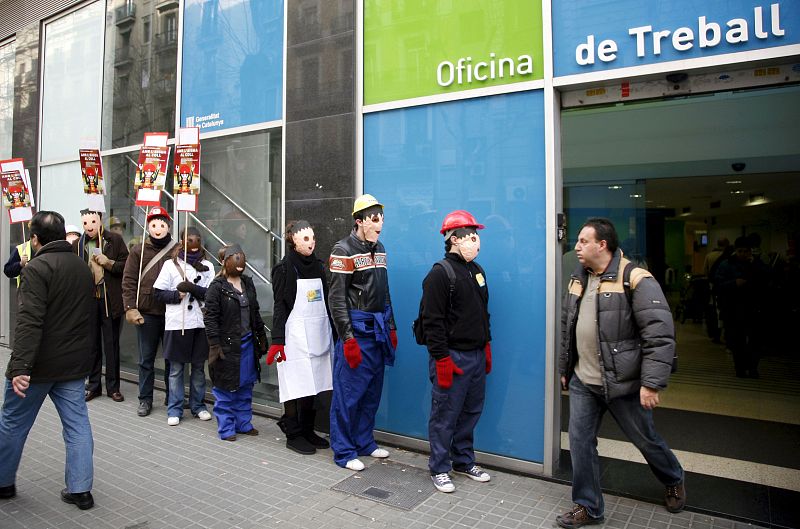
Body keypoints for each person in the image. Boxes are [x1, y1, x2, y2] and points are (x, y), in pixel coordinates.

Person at [557, 217, 684, 529]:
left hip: (623, 382)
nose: (576, 247)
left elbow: (659, 335)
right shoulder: (578, 279)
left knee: (645, 439)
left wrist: (651, 384)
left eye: (583, 241)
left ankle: (673, 478)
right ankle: (588, 507)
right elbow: (567, 327)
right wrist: (565, 368)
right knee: (580, 443)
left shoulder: (636, 278)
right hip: (584, 380)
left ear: (602, 245)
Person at [0, 211, 96, 510]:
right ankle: (81, 490)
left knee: (12, 423)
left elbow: (29, 322)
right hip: (72, 365)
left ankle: (3, 483)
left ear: (35, 239)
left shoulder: (36, 268)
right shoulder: (81, 267)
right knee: (77, 426)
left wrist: (19, 367)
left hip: (37, 367)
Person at [420, 210, 492, 493]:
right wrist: (441, 359)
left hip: (476, 355)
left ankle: (463, 460)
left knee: (471, 411)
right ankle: (439, 467)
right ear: (454, 239)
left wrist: (486, 345)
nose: (476, 242)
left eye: (476, 236)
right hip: (452, 357)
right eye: (470, 236)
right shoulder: (439, 274)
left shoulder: (477, 271)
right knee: (445, 415)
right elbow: (432, 321)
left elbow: (483, 313)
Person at [328, 194, 397, 471]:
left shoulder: (380, 249)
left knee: (371, 391)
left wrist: (391, 327)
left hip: (377, 331)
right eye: (374, 219)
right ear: (359, 221)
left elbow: (385, 290)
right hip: (356, 331)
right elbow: (336, 299)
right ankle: (344, 451)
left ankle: (364, 441)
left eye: (382, 218)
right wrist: (347, 338)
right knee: (348, 393)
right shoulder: (342, 250)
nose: (380, 224)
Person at [267, 220, 334, 455]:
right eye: (305, 238)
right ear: (293, 240)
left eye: (313, 238)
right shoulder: (284, 269)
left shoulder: (318, 266)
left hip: (318, 336)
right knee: (295, 385)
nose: (311, 242)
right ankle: (293, 433)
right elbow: (279, 306)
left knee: (314, 384)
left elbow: (327, 301)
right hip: (293, 339)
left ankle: (307, 429)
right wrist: (277, 341)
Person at [204, 244, 268, 441]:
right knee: (226, 388)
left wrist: (261, 335)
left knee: (245, 385)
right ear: (225, 262)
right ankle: (226, 428)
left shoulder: (247, 283)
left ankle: (243, 423)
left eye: (242, 257)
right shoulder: (217, 287)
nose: (240, 261)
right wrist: (215, 345)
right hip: (227, 346)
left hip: (247, 343)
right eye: (235, 257)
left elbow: (255, 311)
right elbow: (210, 318)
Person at [153, 227, 215, 425]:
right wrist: (175, 295)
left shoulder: (208, 266)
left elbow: (211, 294)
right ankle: (175, 408)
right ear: (181, 242)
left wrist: (193, 288)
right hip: (177, 323)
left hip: (199, 323)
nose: (194, 243)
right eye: (189, 239)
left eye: (197, 239)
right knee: (176, 369)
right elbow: (157, 293)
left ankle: (198, 406)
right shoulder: (170, 265)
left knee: (198, 368)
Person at [122, 206, 177, 417]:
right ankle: (145, 399)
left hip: (172, 311)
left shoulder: (177, 249)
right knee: (146, 360)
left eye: (162, 224)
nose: (158, 228)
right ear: (148, 226)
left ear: (168, 226)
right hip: (147, 312)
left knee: (172, 359)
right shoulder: (138, 250)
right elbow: (129, 280)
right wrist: (130, 307)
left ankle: (173, 397)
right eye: (154, 224)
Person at [73, 209, 129, 403]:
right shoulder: (77, 244)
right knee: (92, 345)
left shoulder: (114, 240)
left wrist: (109, 263)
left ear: (100, 221)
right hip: (88, 300)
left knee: (111, 345)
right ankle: (94, 385)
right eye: (85, 223)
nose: (89, 227)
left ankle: (113, 387)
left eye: (93, 222)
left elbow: (126, 266)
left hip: (109, 300)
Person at [714, 236, 767, 378]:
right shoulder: (726, 265)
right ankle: (741, 368)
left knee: (755, 340)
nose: (743, 254)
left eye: (746, 251)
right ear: (735, 251)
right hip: (734, 308)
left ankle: (752, 367)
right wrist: (734, 283)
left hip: (753, 307)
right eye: (740, 251)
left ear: (750, 251)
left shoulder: (757, 264)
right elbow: (718, 285)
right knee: (737, 340)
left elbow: (766, 279)